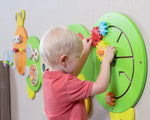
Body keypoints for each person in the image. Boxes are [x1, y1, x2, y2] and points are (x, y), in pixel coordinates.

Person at [39, 27, 116, 120]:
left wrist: (86, 52)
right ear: (63, 60)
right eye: (77, 57)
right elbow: (101, 86)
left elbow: (72, 75)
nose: (79, 59)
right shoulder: (66, 84)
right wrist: (105, 61)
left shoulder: (48, 77)